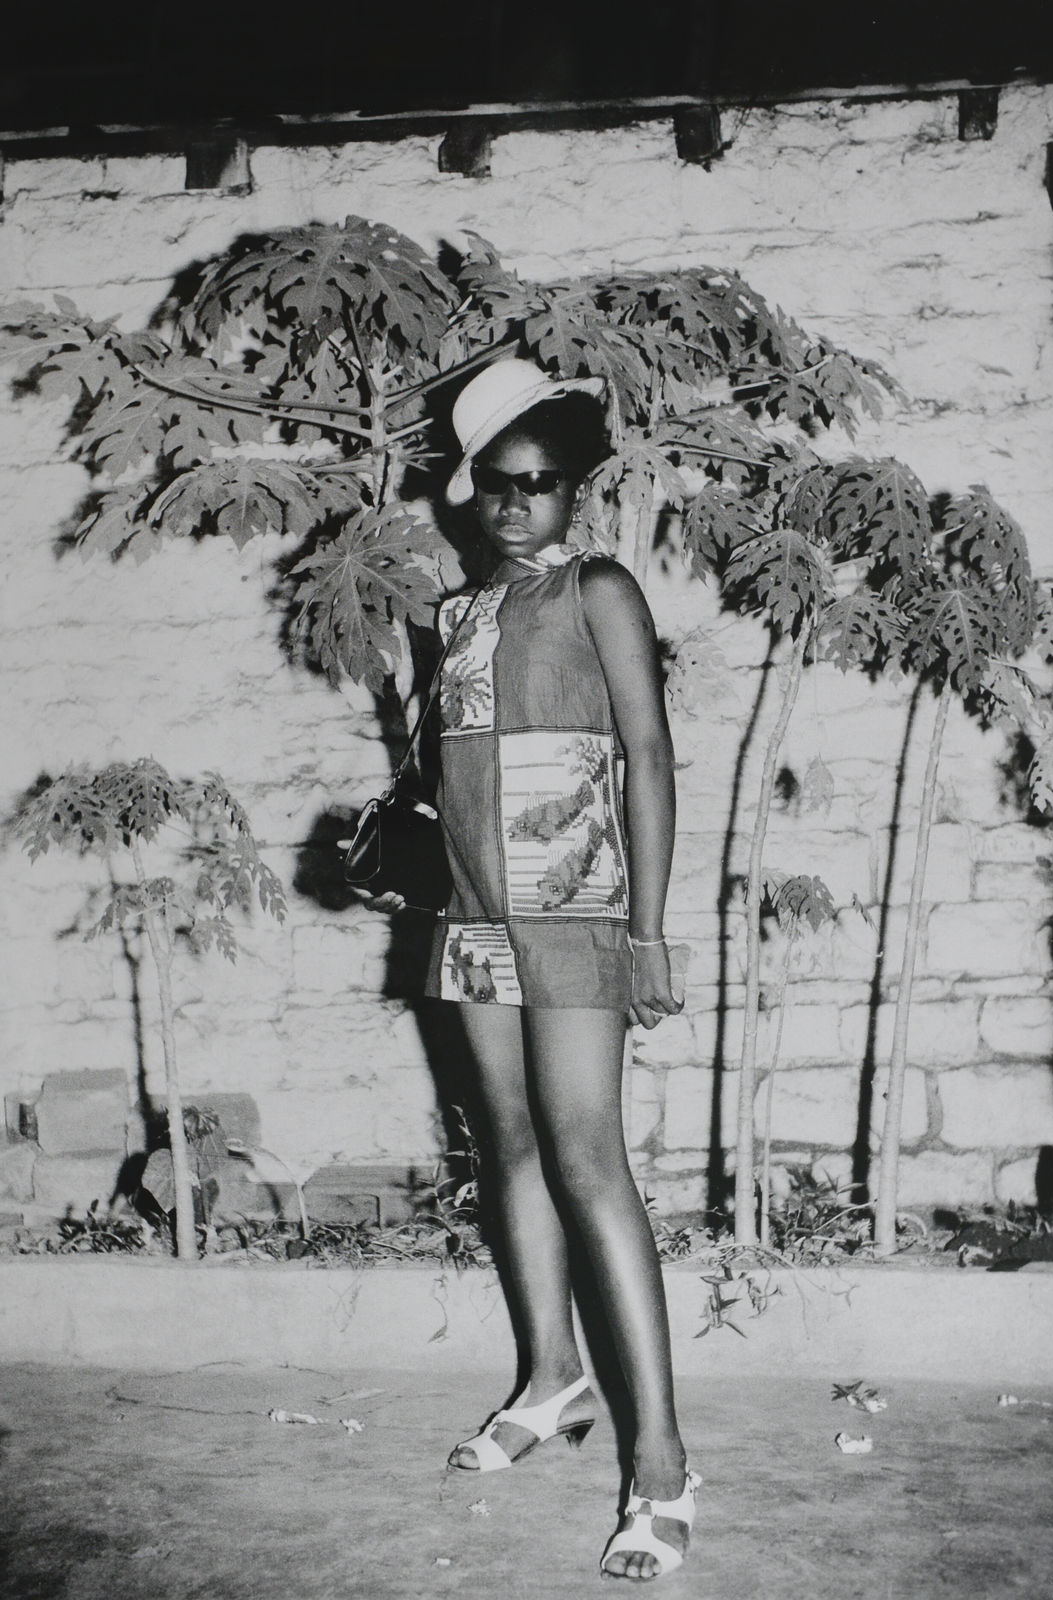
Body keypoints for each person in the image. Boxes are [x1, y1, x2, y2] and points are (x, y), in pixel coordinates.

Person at [362, 357, 698, 1580]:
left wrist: (650, 930)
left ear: (574, 488)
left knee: (587, 1157)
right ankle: (552, 1381)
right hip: (472, 918)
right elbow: (451, 778)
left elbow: (649, 758)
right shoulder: (453, 617)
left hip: (577, 914)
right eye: (496, 485)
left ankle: (660, 1456)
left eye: (541, 482)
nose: (517, 504)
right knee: (505, 1146)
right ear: (467, 492)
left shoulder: (598, 587)